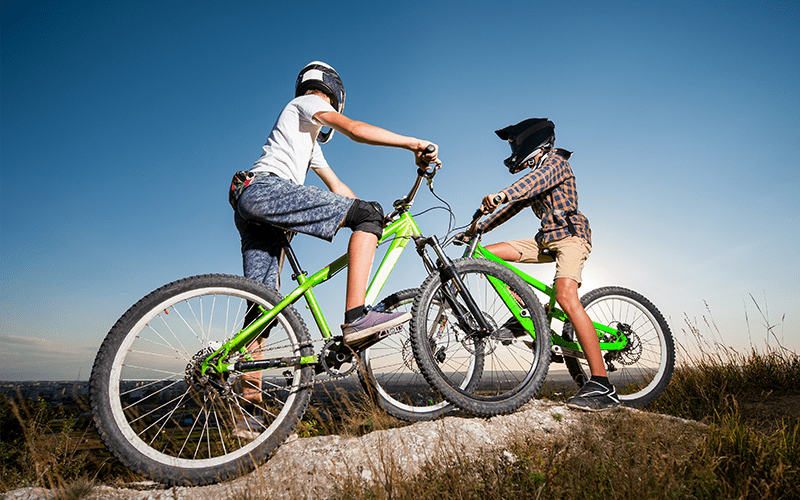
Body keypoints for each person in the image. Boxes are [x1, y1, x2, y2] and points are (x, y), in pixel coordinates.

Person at [229, 62, 439, 408]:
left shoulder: (309, 143)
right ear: (334, 94)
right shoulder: (308, 103)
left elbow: (339, 190)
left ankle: (248, 412)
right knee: (367, 214)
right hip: (266, 190)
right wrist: (414, 144)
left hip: (253, 205)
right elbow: (354, 129)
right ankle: (357, 317)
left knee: (262, 308)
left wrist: (375, 220)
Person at [469, 118, 619, 412]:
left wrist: (501, 194)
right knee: (486, 254)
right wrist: (477, 229)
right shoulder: (536, 172)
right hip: (546, 240)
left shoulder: (555, 163)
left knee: (565, 295)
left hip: (570, 238)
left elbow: (528, 186)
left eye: (516, 144)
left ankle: (603, 384)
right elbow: (512, 207)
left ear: (532, 142)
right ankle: (526, 310)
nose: (515, 151)